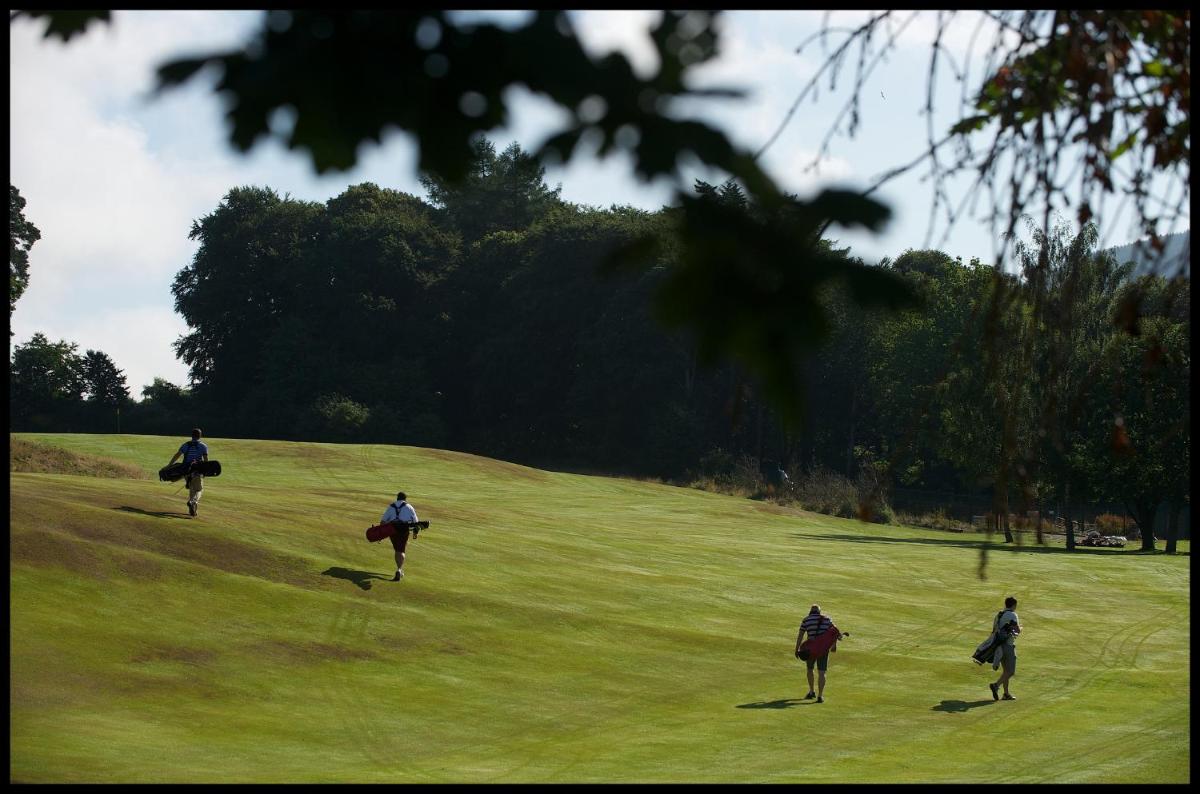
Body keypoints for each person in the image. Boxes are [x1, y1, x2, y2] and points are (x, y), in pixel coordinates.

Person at [795, 604, 838, 703]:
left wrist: (797, 649)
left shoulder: (806, 620)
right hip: (823, 650)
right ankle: (820, 696)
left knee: (810, 669)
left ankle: (811, 691)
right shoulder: (827, 619)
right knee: (822, 672)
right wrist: (834, 646)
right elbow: (835, 632)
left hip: (810, 649)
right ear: (819, 612)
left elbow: (800, 635)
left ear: (810, 611)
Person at [167, 428, 209, 517]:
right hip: (197, 470)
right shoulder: (203, 446)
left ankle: (192, 511)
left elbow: (177, 455)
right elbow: (205, 460)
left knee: (192, 489)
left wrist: (169, 465)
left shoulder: (186, 445)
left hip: (186, 471)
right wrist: (206, 471)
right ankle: (193, 502)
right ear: (200, 436)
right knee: (199, 490)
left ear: (192, 436)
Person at [380, 491, 420, 581]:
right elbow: (416, 522)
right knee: (401, 550)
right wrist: (415, 533)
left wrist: (381, 534)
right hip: (404, 531)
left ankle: (399, 569)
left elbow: (383, 521)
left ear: (397, 498)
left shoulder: (391, 506)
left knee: (397, 549)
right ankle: (399, 570)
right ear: (405, 499)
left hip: (392, 531)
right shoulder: (409, 507)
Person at [988, 596, 1022, 701]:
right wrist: (1021, 628)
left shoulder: (999, 614)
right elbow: (1017, 631)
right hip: (1008, 645)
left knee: (1006, 671)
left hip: (998, 646)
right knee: (1010, 671)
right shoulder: (1012, 615)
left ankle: (1006, 694)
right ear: (1013, 605)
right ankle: (996, 686)